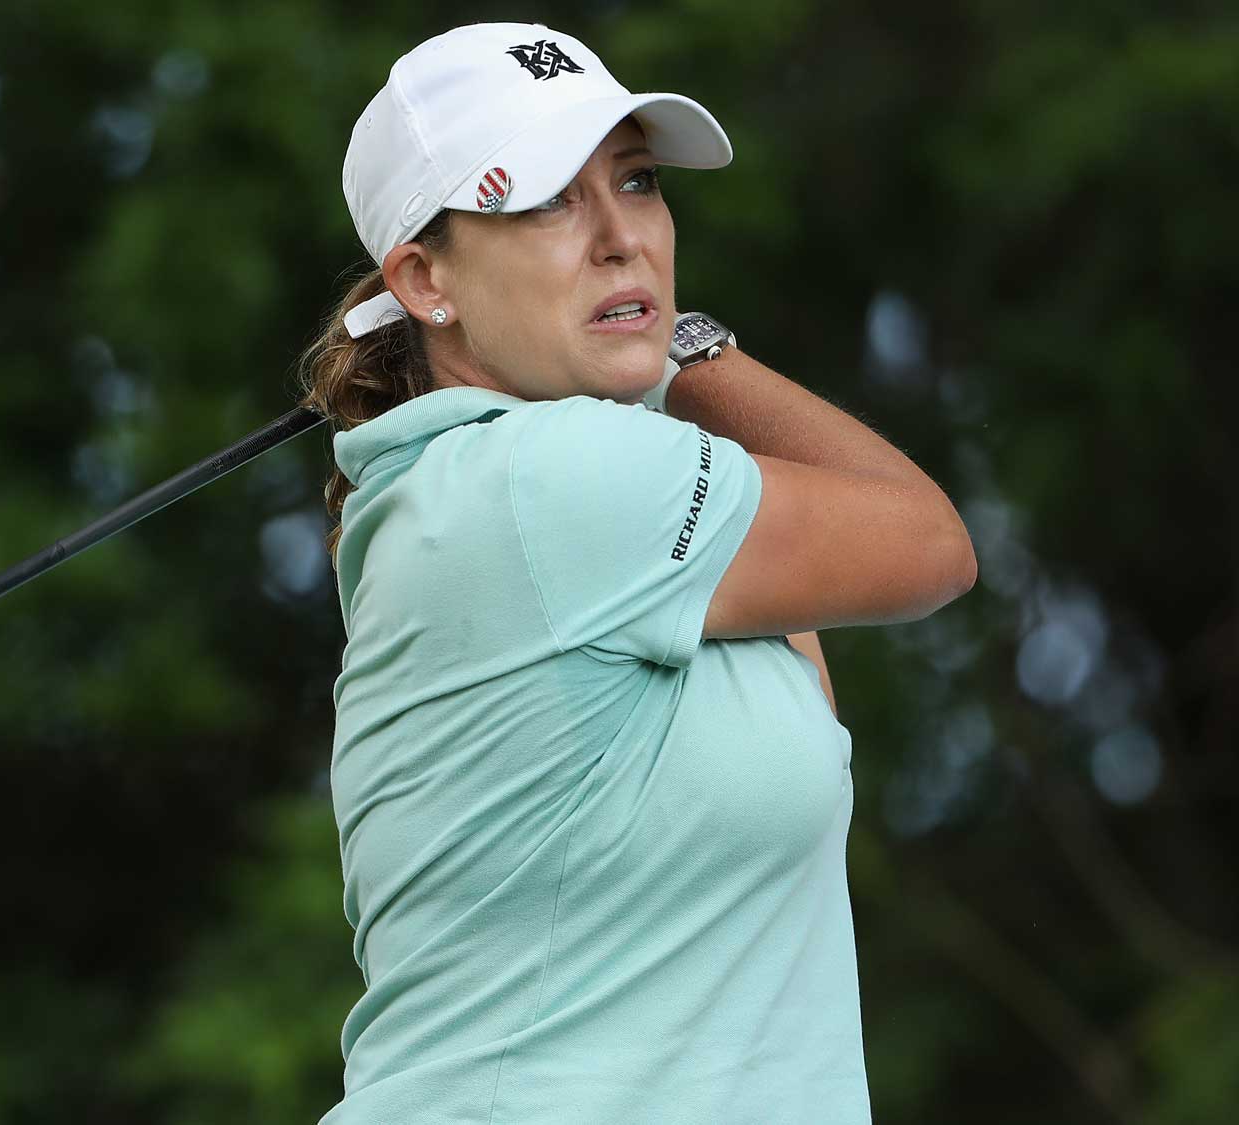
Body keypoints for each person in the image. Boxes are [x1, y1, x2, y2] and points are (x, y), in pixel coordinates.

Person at [298, 23, 977, 1124]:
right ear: (424, 279)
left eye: (637, 181)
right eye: (550, 199)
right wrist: (693, 350)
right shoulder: (542, 481)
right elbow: (927, 544)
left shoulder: (565, 496)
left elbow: (814, 648)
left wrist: (645, 365)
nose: (623, 239)